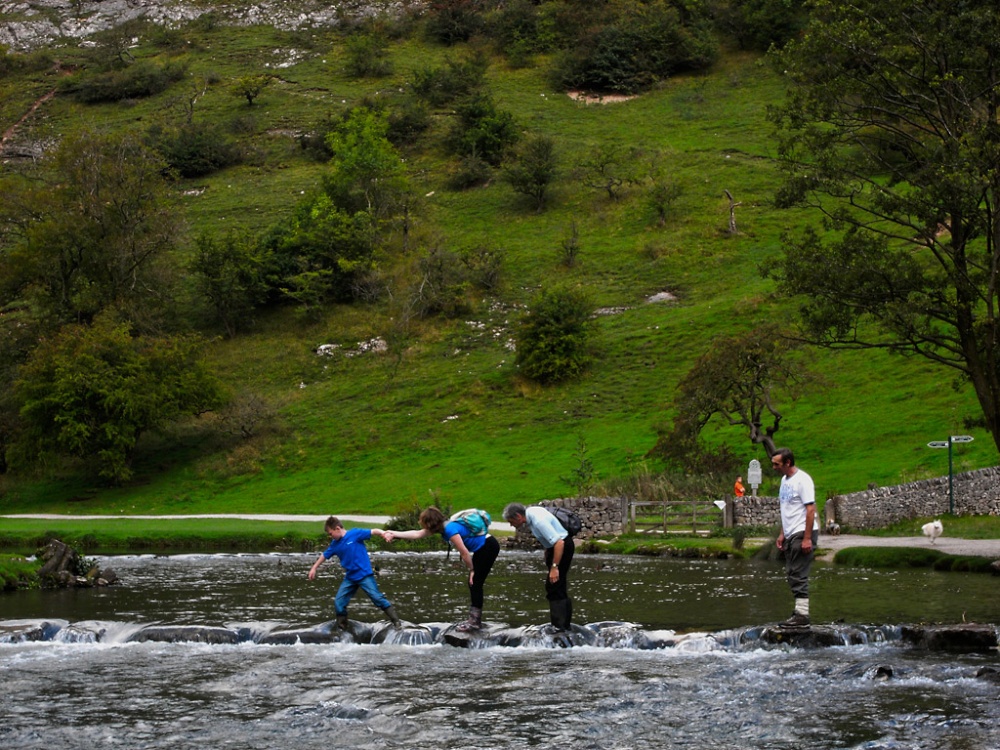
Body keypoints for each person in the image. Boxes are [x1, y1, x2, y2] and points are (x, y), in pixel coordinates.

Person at [384, 507, 501, 632]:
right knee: (474, 584)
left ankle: (474, 622)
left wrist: (472, 570)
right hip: (482, 548)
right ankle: (474, 620)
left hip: (488, 547)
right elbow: (417, 534)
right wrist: (393, 533)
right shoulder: (443, 527)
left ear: (430, 523)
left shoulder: (450, 530)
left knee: (475, 583)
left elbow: (465, 553)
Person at [308, 516, 402, 630]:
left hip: (364, 575)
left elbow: (374, 531)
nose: (330, 536)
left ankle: (396, 621)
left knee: (377, 598)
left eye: (330, 533)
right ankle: (342, 628)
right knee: (339, 602)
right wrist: (314, 568)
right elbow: (324, 555)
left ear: (337, 528)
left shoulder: (355, 534)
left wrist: (384, 533)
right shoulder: (334, 544)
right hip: (350, 578)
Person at [502, 502, 574, 631]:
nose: (511, 524)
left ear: (518, 516)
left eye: (511, 521)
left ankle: (560, 627)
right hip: (554, 548)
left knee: (554, 586)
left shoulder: (538, 521)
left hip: (561, 548)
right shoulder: (531, 512)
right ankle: (563, 625)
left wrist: (554, 566)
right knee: (558, 585)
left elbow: (559, 542)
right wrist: (547, 550)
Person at [771, 448, 819, 627]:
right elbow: (787, 510)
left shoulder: (803, 480)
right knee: (791, 573)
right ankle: (799, 613)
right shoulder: (784, 481)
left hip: (802, 532)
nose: (774, 467)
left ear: (788, 463)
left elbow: (810, 510)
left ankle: (802, 616)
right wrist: (782, 533)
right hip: (791, 533)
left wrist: (807, 538)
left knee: (798, 573)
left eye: (777, 464)